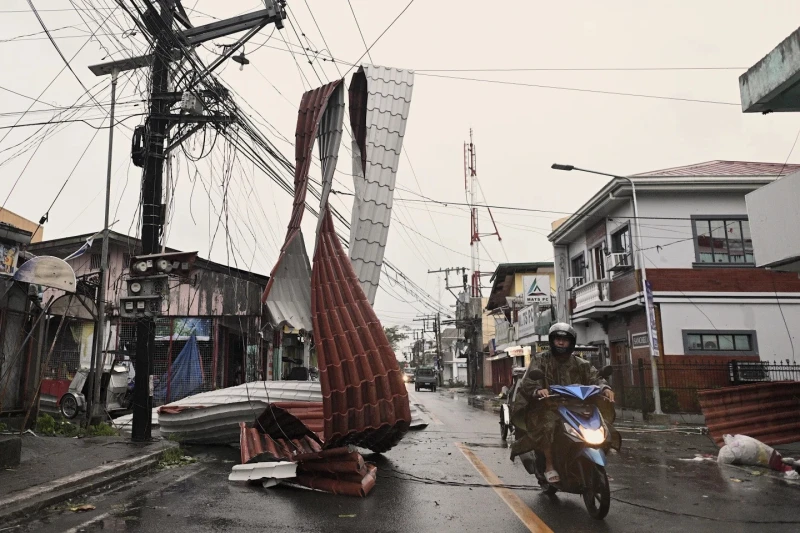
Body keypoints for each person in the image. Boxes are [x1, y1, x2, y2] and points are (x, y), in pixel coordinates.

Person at [510, 322, 615, 484]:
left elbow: (596, 377)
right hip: (548, 406)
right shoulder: (540, 360)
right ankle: (549, 465)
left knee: (602, 425)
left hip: (577, 407)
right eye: (558, 339)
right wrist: (538, 390)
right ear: (552, 341)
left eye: (564, 340)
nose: (561, 343)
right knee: (548, 425)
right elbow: (529, 381)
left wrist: (605, 388)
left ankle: (595, 464)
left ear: (571, 343)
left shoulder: (581, 364)